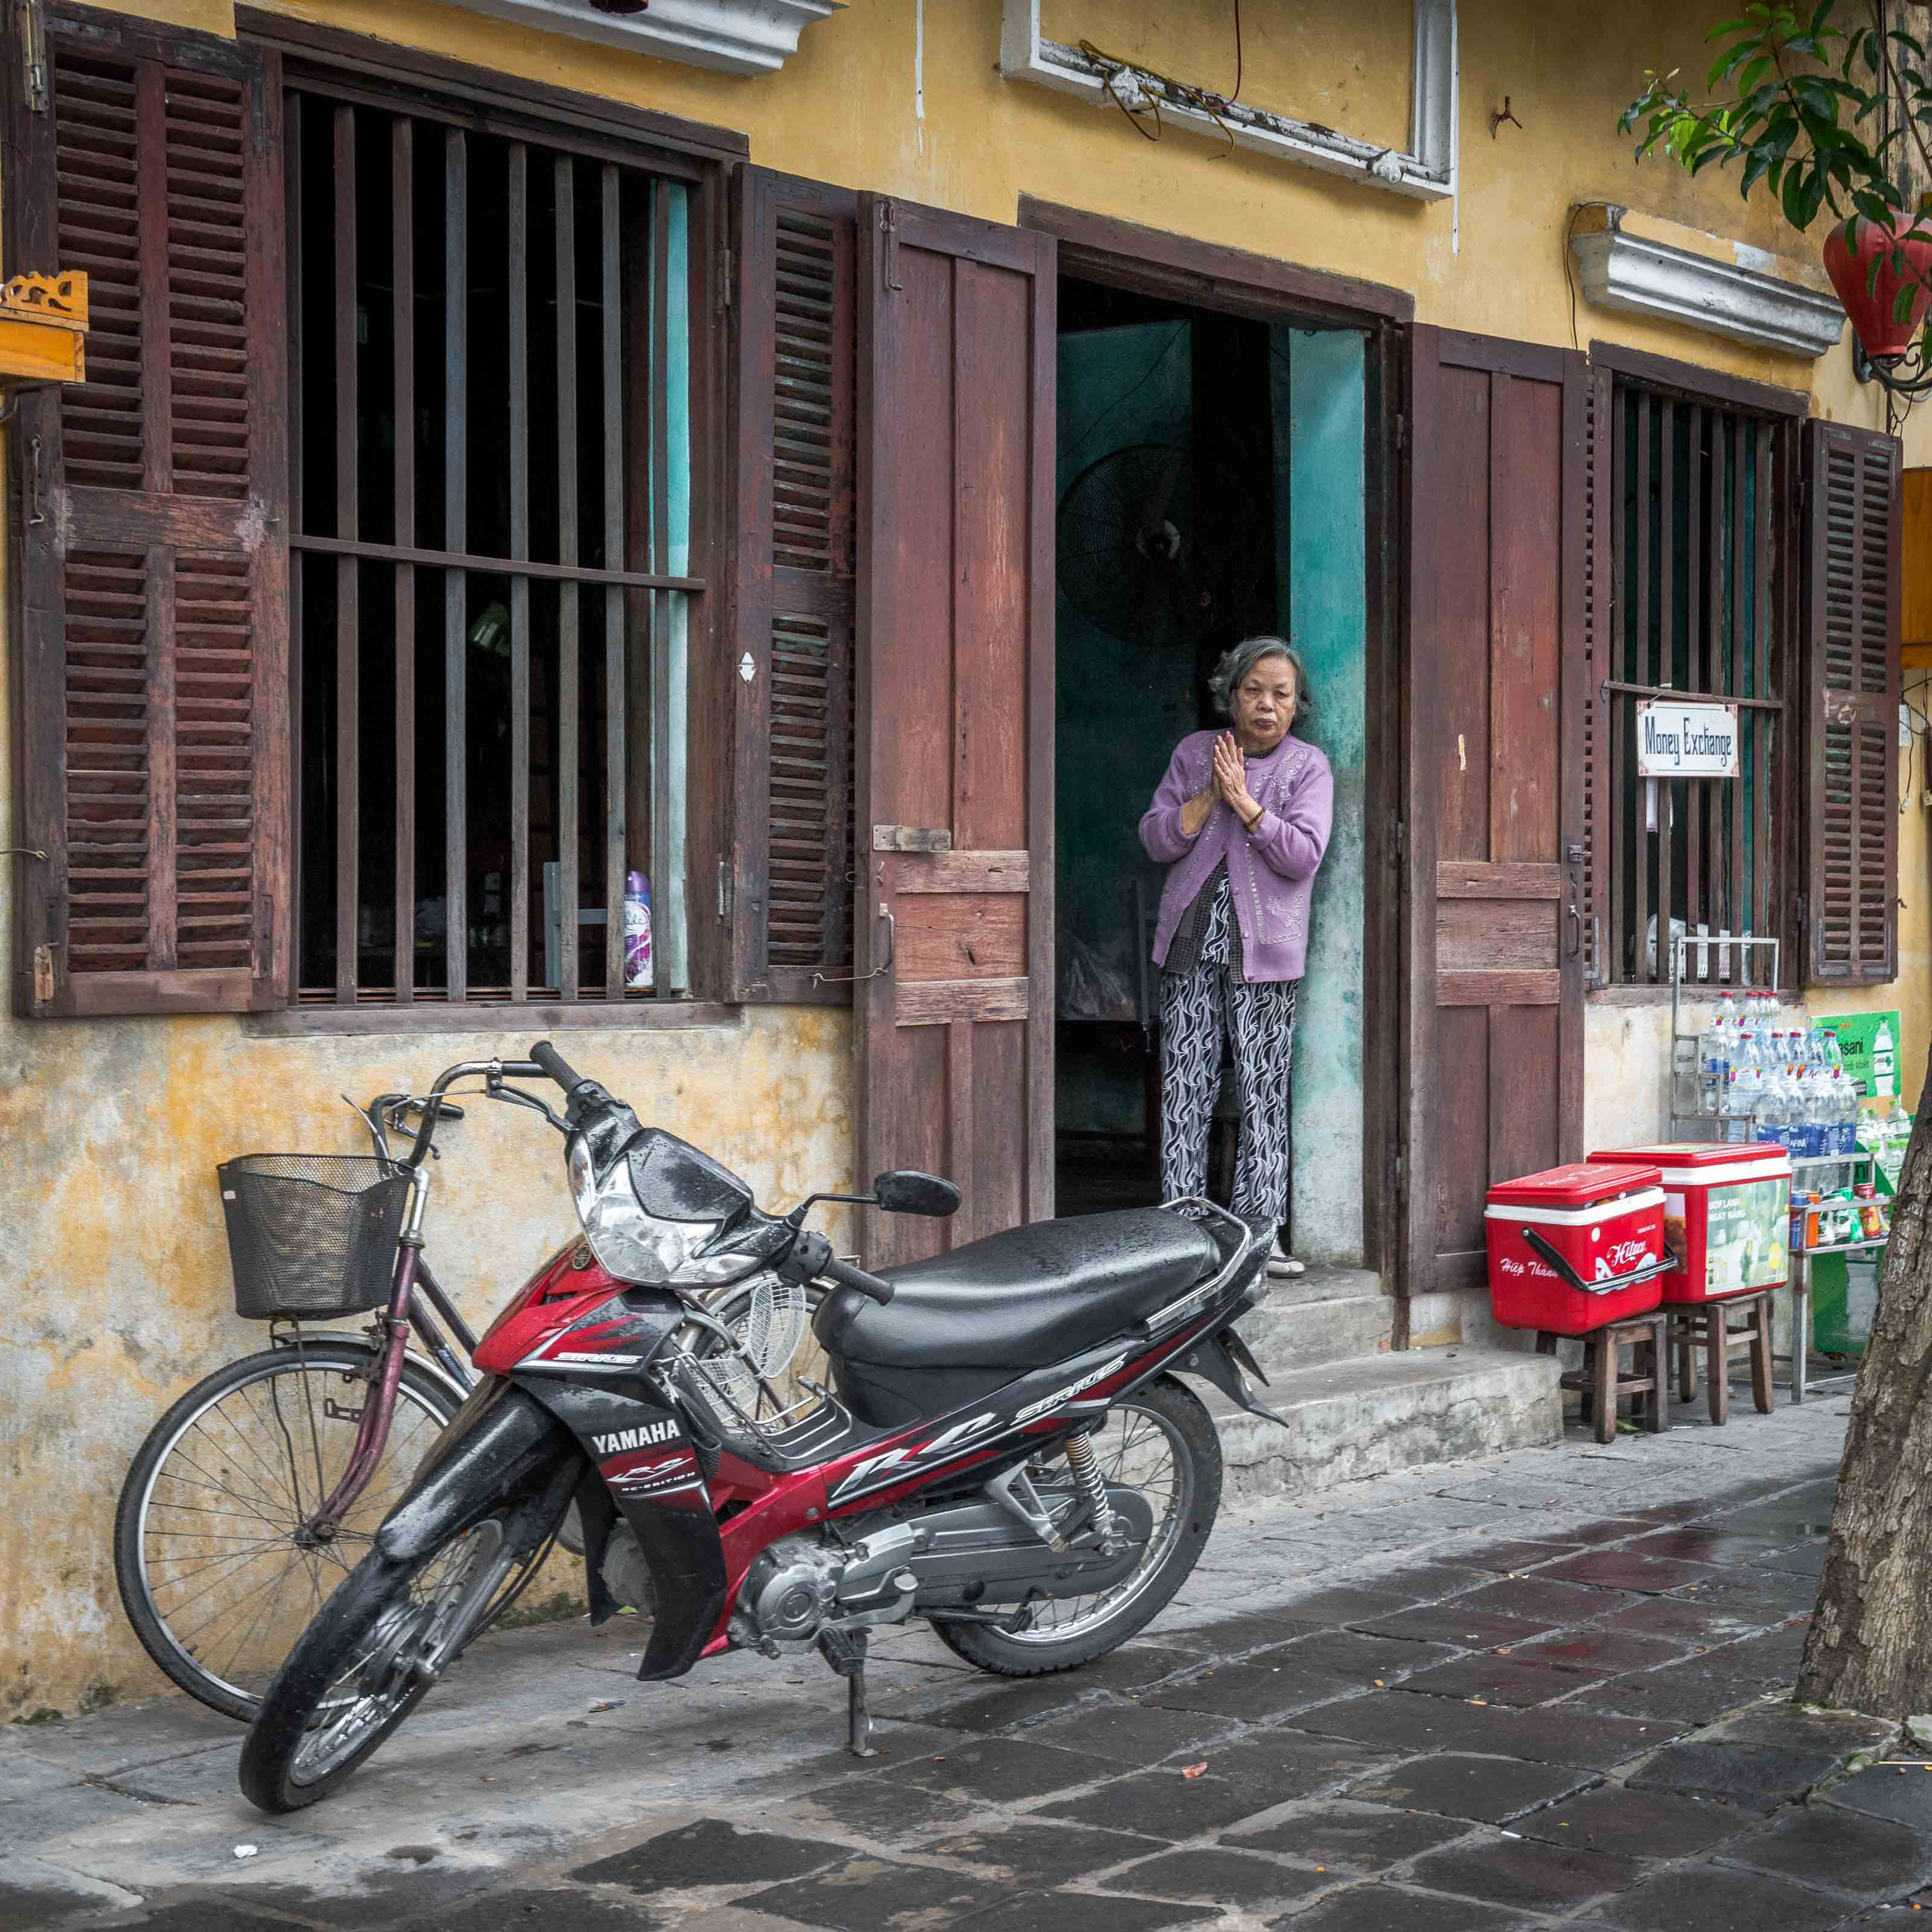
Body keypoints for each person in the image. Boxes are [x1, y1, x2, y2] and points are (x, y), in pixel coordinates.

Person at [1139, 637, 1334, 1272]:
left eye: (1281, 694)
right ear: (1231, 694)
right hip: (1192, 940)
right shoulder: (1195, 754)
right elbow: (1156, 837)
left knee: (1262, 1088)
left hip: (1264, 952)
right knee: (1185, 1084)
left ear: (1296, 705)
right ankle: (1182, 1232)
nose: (1267, 705)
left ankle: (1259, 1235)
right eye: (1254, 690)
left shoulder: (1308, 768)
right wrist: (1210, 798)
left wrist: (1248, 805)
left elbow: (1304, 853)